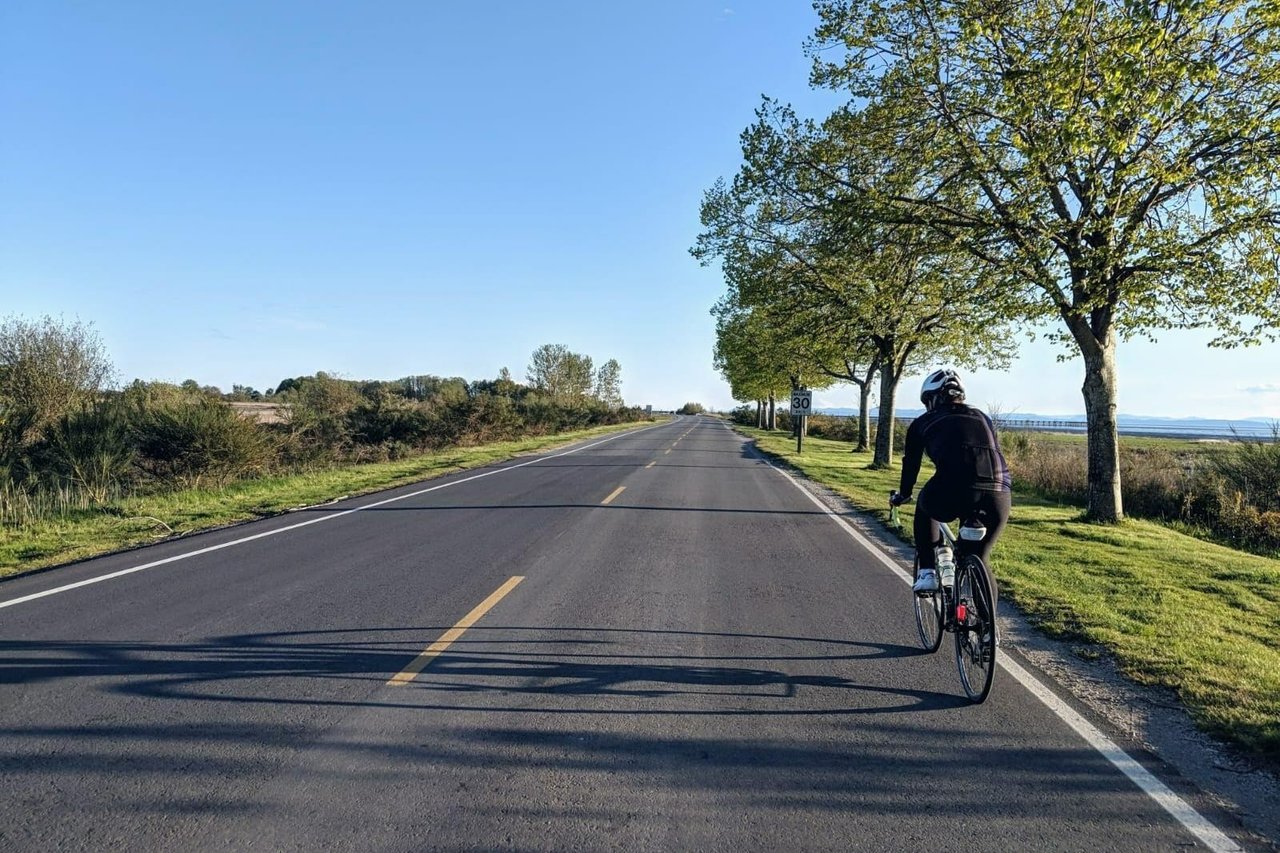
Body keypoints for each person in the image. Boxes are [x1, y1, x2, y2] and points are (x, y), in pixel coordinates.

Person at [890, 369, 1011, 605]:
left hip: (954, 486)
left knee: (926, 505)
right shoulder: (983, 417)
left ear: (933, 399)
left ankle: (927, 572)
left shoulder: (923, 422)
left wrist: (904, 495)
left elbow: (911, 463)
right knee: (979, 556)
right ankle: (989, 633)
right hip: (999, 491)